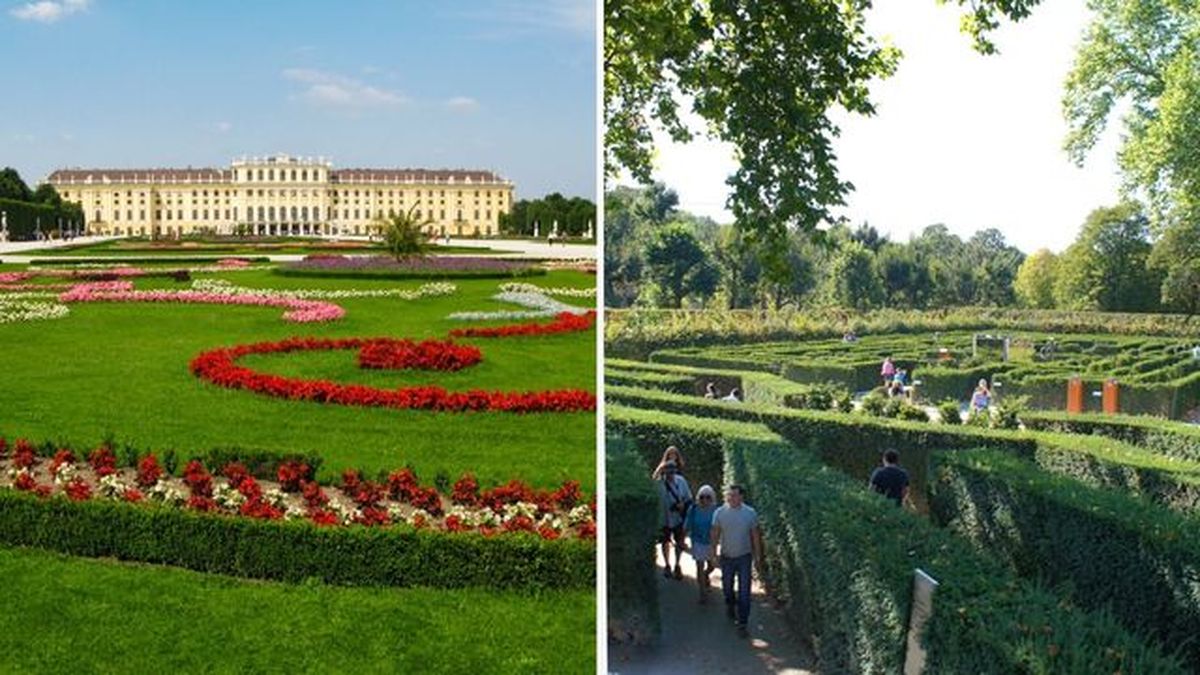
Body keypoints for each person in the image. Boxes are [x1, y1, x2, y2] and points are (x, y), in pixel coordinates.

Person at [710, 484, 763, 638]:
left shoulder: (750, 513)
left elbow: (755, 536)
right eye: (729, 495)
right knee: (727, 588)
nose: (731, 498)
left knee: (745, 592)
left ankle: (742, 623)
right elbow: (714, 533)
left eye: (734, 495)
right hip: (726, 557)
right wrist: (713, 554)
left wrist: (758, 557)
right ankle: (730, 604)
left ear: (741, 497)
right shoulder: (719, 513)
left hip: (744, 557)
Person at [657, 460, 692, 580]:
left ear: (675, 471)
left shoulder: (681, 481)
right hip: (664, 519)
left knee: (680, 542)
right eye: (668, 472)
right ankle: (667, 565)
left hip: (678, 518)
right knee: (665, 542)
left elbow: (689, 498)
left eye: (672, 472)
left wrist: (682, 505)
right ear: (664, 472)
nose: (670, 475)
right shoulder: (659, 484)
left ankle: (677, 565)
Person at [684, 484, 718, 603]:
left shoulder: (715, 510)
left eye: (708, 497)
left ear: (712, 497)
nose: (705, 500)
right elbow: (687, 524)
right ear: (698, 497)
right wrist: (682, 540)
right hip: (697, 541)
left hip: (710, 542)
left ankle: (705, 575)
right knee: (699, 566)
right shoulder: (693, 509)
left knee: (712, 566)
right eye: (702, 497)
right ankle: (702, 593)